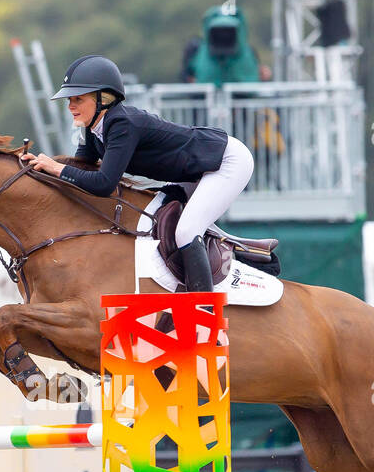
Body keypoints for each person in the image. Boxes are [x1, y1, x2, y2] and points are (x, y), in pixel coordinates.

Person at [21, 54, 255, 294]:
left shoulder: (122, 123)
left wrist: (56, 167)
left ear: (103, 99)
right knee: (164, 219)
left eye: (78, 99)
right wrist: (40, 169)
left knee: (186, 230)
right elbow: (82, 167)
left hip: (225, 161)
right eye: (70, 99)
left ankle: (205, 307)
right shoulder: (93, 126)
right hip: (194, 171)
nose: (70, 106)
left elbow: (103, 184)